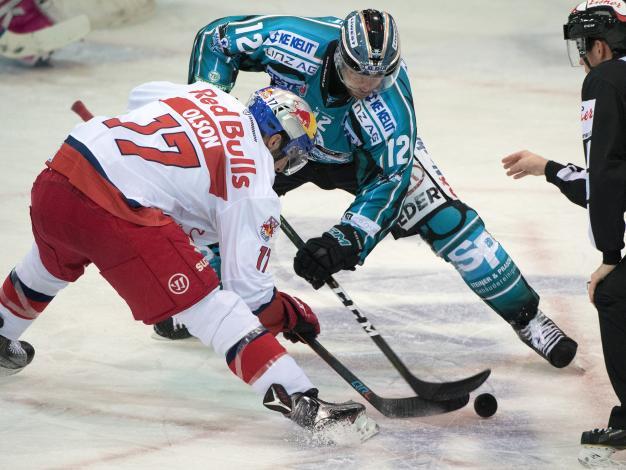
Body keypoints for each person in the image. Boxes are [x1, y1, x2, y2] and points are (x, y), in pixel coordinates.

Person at [172, 9, 579, 368]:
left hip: (360, 161)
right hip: (285, 135)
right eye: (357, 74)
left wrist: (344, 240)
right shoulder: (292, 39)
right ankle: (192, 297)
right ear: (338, 56)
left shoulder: (392, 105)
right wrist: (210, 109)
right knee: (208, 204)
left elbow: (391, 179)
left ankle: (528, 318)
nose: (367, 85)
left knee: (449, 223)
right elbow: (218, 39)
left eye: (378, 75)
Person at [0, 81, 378, 440]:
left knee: (49, 264)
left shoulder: (211, 94)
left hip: (61, 172)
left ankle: (3, 334)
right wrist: (285, 313)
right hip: (116, 209)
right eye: (291, 155)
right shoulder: (256, 181)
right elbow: (248, 293)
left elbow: (140, 95)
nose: (284, 167)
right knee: (210, 307)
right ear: (275, 140)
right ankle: (304, 403)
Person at [502, 1, 626, 465]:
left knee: (615, 292)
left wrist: (610, 255)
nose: (583, 60)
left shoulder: (605, 79)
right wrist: (550, 169)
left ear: (599, 45)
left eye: (584, 48)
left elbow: (609, 174)